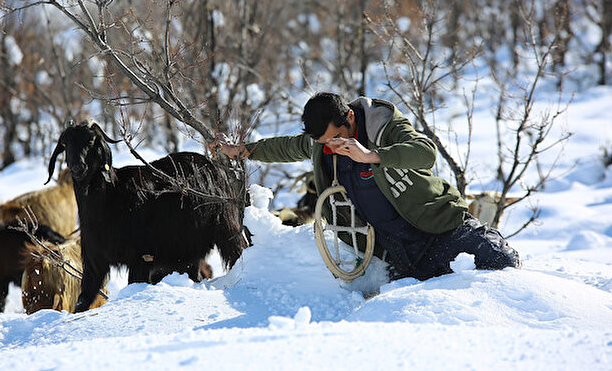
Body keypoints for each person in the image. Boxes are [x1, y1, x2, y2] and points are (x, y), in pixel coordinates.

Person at [211, 92, 521, 281]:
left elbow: (425, 152)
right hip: (396, 250)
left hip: (441, 226)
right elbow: (289, 147)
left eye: (335, 138)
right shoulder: (323, 143)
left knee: (501, 263)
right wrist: (243, 150)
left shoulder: (384, 125)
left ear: (348, 117)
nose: (330, 147)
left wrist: (371, 155)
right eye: (323, 143)